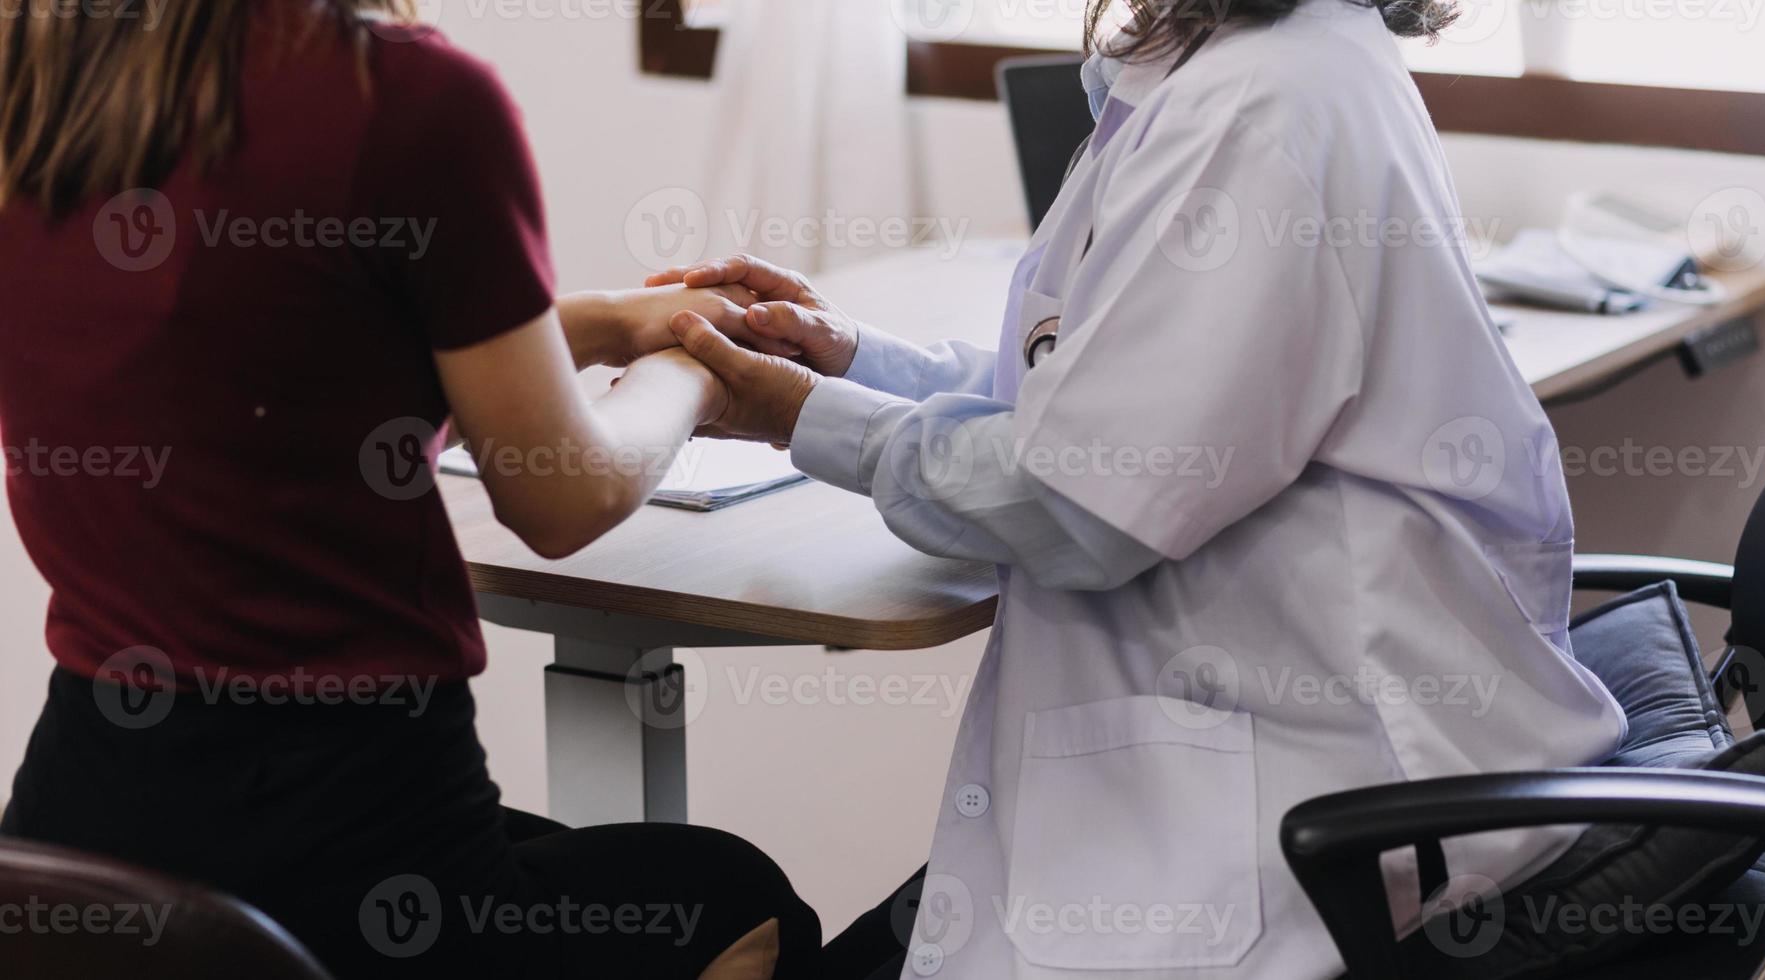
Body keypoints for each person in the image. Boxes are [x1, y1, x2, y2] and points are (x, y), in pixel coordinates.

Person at [650, 0, 1630, 976]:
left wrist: (804, 416)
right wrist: (857, 366)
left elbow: (1077, 498)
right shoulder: (1245, 66)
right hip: (1253, 759)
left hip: (1306, 818)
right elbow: (1095, 393)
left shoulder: (1259, 106)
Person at [0, 1, 816, 976]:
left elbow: (309, 335)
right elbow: (565, 496)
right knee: (740, 902)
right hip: (355, 851)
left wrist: (620, 320)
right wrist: (696, 371)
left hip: (78, 841)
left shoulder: (38, 74)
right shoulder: (404, 97)